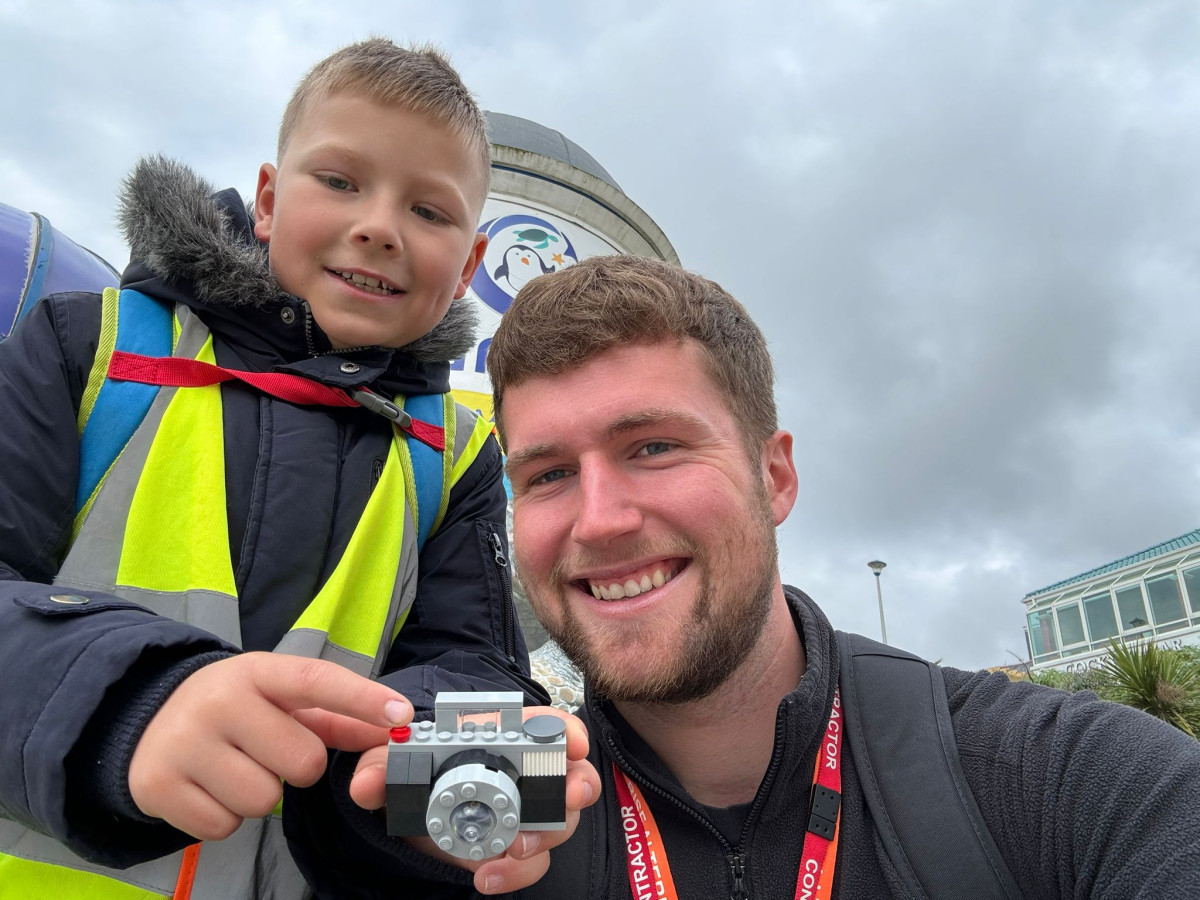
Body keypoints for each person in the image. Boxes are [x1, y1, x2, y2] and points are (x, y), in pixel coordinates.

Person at [295, 254, 1200, 898]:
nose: (599, 520)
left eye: (653, 447)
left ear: (775, 477)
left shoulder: (1067, 781)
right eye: (549, 474)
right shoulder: (500, 828)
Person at [0, 38, 586, 899]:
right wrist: (123, 703)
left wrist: (459, 787)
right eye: (341, 181)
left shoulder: (458, 452)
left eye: (429, 211)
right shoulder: (85, 346)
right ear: (269, 202)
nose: (379, 227)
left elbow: (466, 663)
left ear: (466, 266)